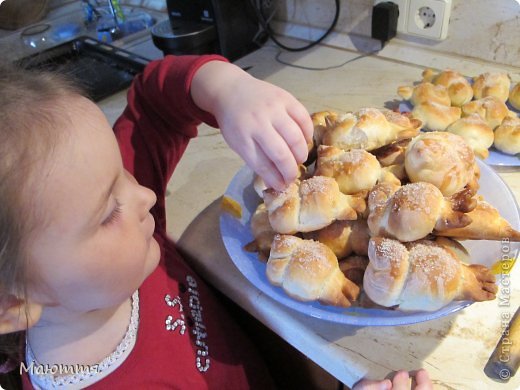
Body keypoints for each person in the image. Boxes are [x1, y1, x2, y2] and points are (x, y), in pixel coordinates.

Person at [0, 54, 432, 389]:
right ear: (13, 303)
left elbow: (154, 105)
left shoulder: (109, 241)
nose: (145, 196)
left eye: (124, 173)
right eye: (108, 212)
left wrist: (226, 89)